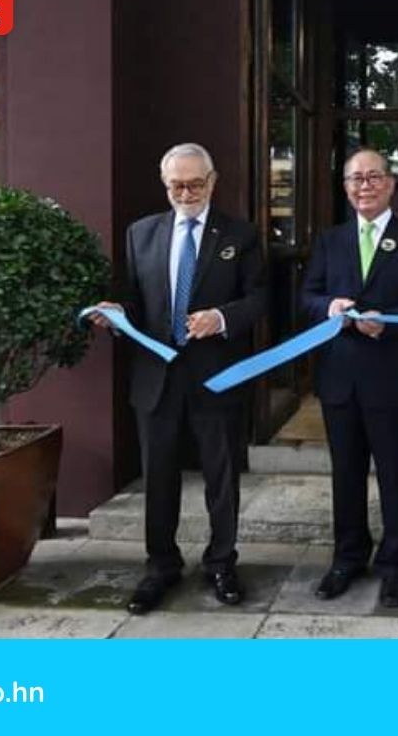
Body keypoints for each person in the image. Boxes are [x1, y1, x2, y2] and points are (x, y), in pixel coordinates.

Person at [90, 142, 265, 615]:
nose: (186, 192)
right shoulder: (140, 234)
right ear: (165, 185)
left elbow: (260, 300)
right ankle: (160, 566)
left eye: (194, 183)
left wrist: (223, 318)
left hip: (217, 376)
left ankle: (222, 563)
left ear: (212, 181)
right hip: (157, 379)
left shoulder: (241, 235)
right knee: (159, 478)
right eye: (176, 185)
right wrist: (115, 313)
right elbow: (132, 300)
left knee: (222, 478)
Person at [299, 148, 398, 608]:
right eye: (356, 178)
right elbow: (308, 297)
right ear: (345, 187)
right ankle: (348, 557)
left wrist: (389, 319)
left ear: (391, 184)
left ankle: (396, 563)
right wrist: (329, 307)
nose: (365, 186)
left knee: (397, 476)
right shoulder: (330, 240)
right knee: (346, 475)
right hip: (340, 379)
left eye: (374, 177)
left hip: (392, 379)